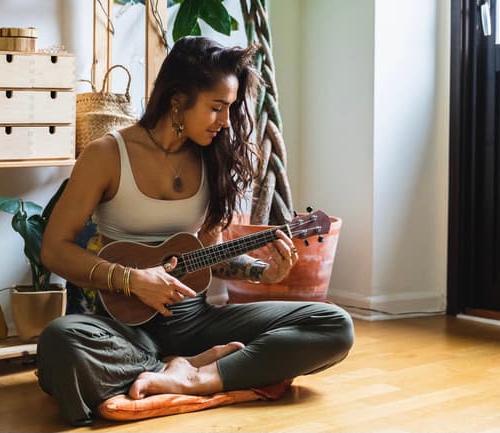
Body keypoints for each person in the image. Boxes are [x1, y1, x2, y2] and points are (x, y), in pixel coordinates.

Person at [37, 36, 354, 426]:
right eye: (217, 107)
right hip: (122, 327)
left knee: (334, 325)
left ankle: (196, 378)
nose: (225, 121)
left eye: (230, 108)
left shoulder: (212, 160)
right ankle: (175, 367)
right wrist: (133, 280)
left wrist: (261, 272)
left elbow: (211, 255)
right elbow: (54, 249)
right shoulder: (106, 155)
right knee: (59, 341)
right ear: (178, 98)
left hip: (194, 322)